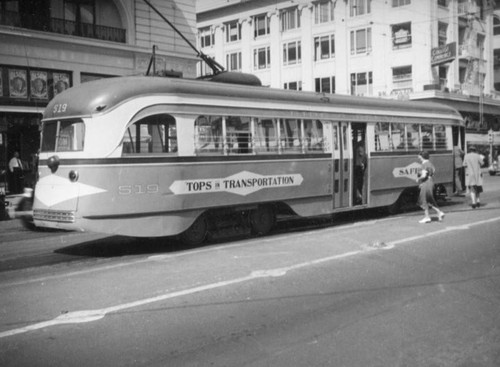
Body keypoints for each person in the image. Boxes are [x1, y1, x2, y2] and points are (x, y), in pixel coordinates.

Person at [416, 151, 445, 223]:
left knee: (423, 199)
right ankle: (439, 212)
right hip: (430, 182)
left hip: (426, 183)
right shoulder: (430, 164)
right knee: (428, 199)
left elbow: (424, 175)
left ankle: (427, 217)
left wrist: (418, 179)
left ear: (422, 156)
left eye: (419, 157)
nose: (418, 158)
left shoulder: (424, 164)